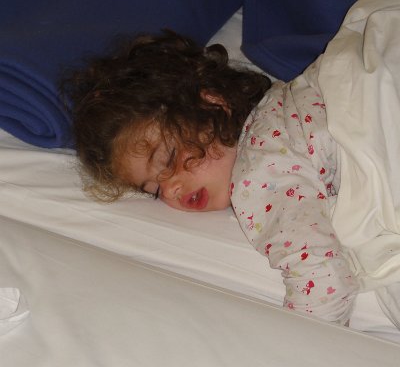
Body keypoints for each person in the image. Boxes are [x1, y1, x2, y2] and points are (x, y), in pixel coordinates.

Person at [62, 28, 359, 326]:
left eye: (169, 160)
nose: (170, 190)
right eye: (154, 190)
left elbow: (323, 280)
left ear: (213, 105)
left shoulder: (258, 167)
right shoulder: (284, 105)